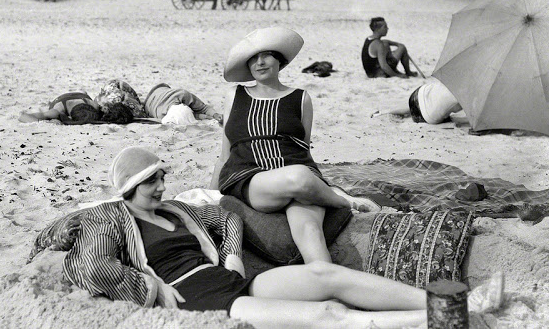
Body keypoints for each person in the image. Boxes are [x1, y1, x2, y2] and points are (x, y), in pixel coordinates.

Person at [64, 146, 458, 328]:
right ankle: (436, 320)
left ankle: (449, 305)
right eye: (153, 181)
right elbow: (89, 266)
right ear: (130, 186)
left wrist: (232, 256)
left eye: (163, 177)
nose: (163, 187)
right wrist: (150, 289)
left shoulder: (176, 209)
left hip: (226, 279)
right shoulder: (110, 218)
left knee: (325, 274)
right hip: (195, 300)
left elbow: (225, 219)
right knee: (328, 315)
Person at [210, 27, 381, 265]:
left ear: (280, 61)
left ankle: (327, 282)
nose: (260, 62)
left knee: (311, 235)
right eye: (253, 58)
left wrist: (311, 177)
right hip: (253, 178)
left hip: (298, 174)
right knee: (299, 177)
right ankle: (343, 201)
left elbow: (303, 150)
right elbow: (224, 154)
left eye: (267, 55)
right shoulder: (235, 95)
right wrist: (210, 195)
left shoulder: (300, 98)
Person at [371, 77, 463, 125]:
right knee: (428, 108)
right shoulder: (467, 96)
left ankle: (384, 112)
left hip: (419, 93)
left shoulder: (459, 73)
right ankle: (385, 112)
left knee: (426, 103)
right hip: (426, 116)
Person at [144, 83, 223, 124]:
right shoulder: (162, 116)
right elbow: (203, 108)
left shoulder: (182, 94)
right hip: (153, 98)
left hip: (155, 95)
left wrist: (215, 115)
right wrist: (213, 115)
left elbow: (203, 108)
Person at [18, 92, 102, 125]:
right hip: (61, 99)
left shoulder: (94, 106)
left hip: (81, 94)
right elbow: (22, 116)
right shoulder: (58, 110)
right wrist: (46, 123)